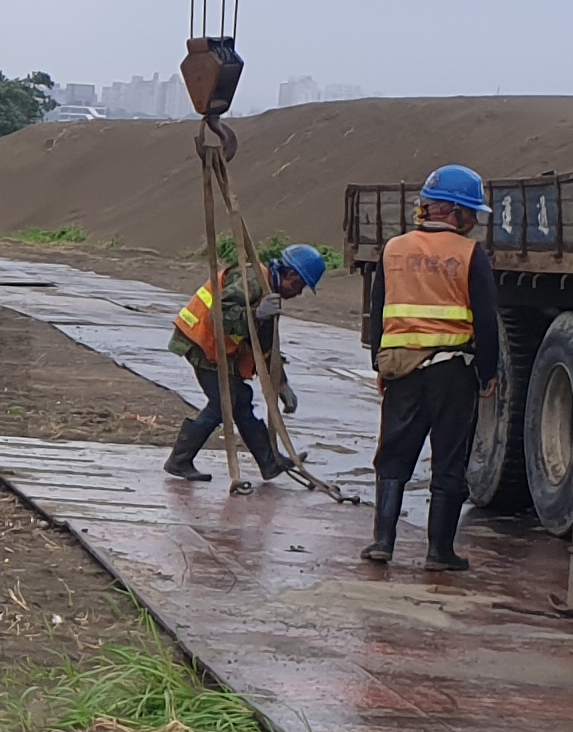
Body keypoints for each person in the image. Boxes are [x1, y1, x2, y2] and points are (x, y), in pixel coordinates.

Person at [357, 168, 502, 570]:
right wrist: (488, 372)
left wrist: (380, 367)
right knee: (449, 462)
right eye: (472, 213)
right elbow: (487, 319)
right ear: (454, 213)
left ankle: (382, 543)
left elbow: (379, 313)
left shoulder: (394, 249)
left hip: (402, 369)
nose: (475, 221)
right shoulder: (470, 254)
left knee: (393, 457)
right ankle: (439, 553)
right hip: (452, 371)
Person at [162, 241, 324, 483]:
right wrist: (255, 314)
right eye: (299, 285)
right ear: (290, 275)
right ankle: (179, 460)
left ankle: (270, 463)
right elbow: (219, 318)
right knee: (223, 403)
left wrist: (281, 384)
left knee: (241, 402)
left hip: (220, 350)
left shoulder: (270, 296)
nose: (298, 293)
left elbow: (265, 348)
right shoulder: (251, 280)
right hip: (201, 343)